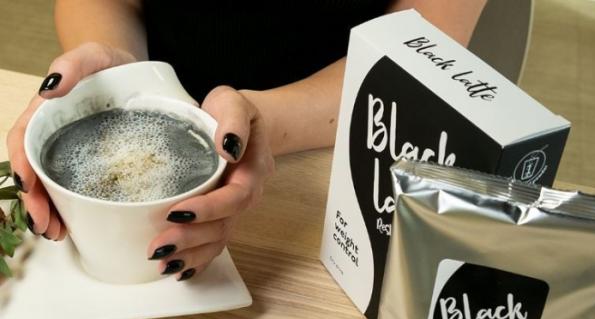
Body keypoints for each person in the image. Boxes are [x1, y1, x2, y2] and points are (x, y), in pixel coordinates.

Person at [7, 0, 486, 281]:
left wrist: (259, 122)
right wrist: (127, 81)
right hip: (149, 107)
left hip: (337, 162)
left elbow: (419, 45)